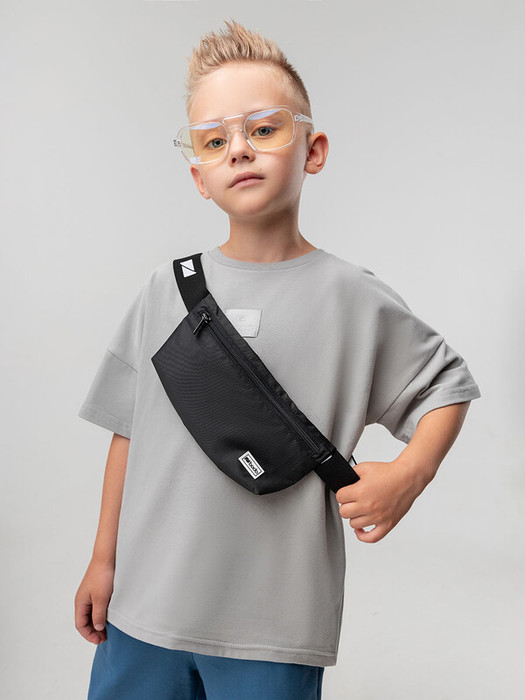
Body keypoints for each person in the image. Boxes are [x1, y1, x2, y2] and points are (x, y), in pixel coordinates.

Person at [74, 18, 481, 700]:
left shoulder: (352, 297)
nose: (239, 149)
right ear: (199, 176)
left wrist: (410, 474)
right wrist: (102, 560)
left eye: (263, 129)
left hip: (273, 625)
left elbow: (447, 384)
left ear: (312, 150)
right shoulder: (164, 291)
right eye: (214, 140)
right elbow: (128, 433)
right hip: (143, 611)